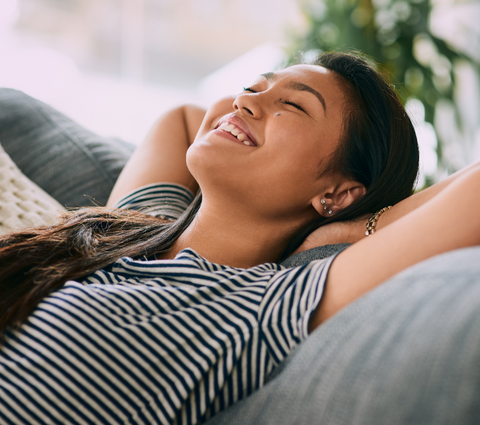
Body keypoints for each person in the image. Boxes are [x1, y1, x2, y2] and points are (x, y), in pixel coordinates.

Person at [1, 51, 478, 425]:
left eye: (292, 104)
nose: (244, 102)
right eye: (252, 87)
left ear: (335, 191)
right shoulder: (137, 224)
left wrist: (352, 227)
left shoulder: (263, 307)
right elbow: (186, 119)